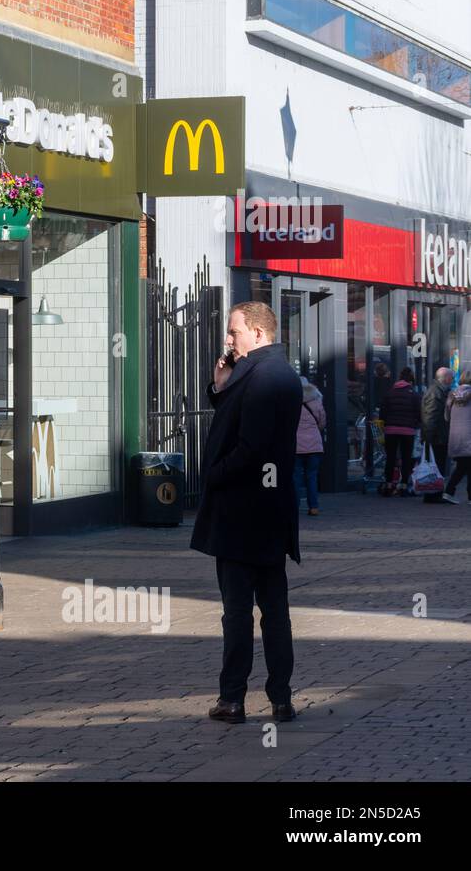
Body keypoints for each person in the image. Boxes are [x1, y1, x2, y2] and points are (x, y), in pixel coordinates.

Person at [190, 301, 302, 725]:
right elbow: (243, 427)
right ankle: (280, 698)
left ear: (257, 332)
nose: (228, 340)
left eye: (233, 332)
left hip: (243, 511)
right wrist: (221, 386)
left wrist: (214, 475)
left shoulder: (264, 376)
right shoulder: (266, 372)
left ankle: (232, 698)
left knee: (237, 611)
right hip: (269, 511)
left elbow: (250, 446)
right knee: (275, 610)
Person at [380, 367, 422, 496]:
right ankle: (403, 485)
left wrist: (387, 424)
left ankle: (388, 484)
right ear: (411, 380)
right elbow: (419, 413)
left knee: (390, 458)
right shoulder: (414, 394)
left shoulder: (389, 393)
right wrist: (416, 424)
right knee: (406, 458)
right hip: (407, 431)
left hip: (391, 430)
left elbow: (383, 413)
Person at [294, 377, 327, 515]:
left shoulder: (291, 402)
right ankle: (313, 507)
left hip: (296, 445)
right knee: (311, 476)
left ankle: (294, 506)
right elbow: (322, 422)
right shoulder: (316, 401)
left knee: (295, 477)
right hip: (314, 445)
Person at [421, 367, 454, 503]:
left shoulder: (439, 391)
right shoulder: (436, 393)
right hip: (436, 438)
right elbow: (431, 417)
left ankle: (434, 493)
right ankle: (433, 494)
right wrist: (428, 440)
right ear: (445, 378)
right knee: (436, 466)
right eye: (451, 378)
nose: (452, 380)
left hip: (437, 437)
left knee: (436, 467)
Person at [442, 368, 471, 504]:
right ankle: (449, 491)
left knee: (463, 465)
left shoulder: (451, 395)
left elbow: (446, 417)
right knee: (463, 467)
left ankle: (450, 491)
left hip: (456, 437)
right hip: (469, 437)